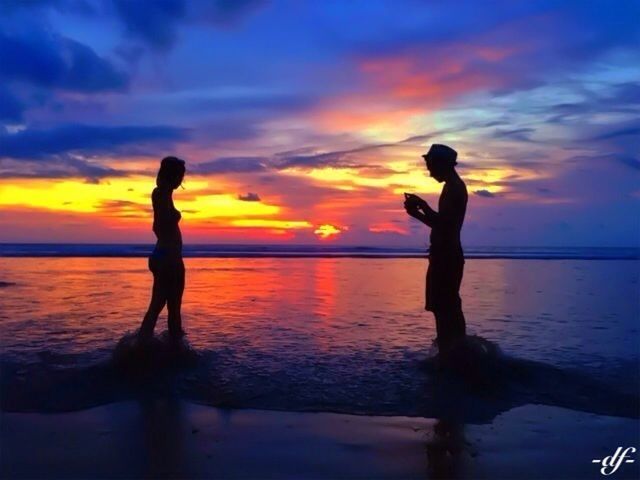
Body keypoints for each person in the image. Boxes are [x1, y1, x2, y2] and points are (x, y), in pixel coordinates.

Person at [404, 144, 467, 354]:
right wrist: (418, 212)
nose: (429, 172)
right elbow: (442, 223)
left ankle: (451, 355)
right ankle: (453, 353)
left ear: (442, 164)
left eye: (431, 166)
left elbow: (445, 224)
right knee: (445, 307)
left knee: (445, 308)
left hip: (447, 258)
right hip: (445, 256)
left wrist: (422, 207)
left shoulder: (455, 188)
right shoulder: (451, 186)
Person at [139, 156, 186, 340]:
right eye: (179, 175)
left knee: (159, 305)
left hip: (163, 256)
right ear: (171, 175)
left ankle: (142, 345)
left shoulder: (163, 194)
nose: (181, 180)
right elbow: (157, 226)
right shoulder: (160, 194)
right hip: (169, 258)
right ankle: (175, 349)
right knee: (171, 308)